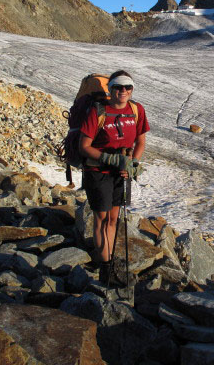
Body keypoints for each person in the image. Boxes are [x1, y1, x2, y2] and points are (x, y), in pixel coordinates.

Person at [79, 70, 150, 283]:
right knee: (101, 218)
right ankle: (106, 268)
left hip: (120, 172)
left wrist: (132, 163)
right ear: (110, 89)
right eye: (118, 87)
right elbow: (84, 146)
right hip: (98, 171)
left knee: (113, 218)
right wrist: (110, 160)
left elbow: (141, 142)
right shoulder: (99, 111)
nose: (123, 91)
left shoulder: (136, 110)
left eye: (128, 87)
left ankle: (107, 259)